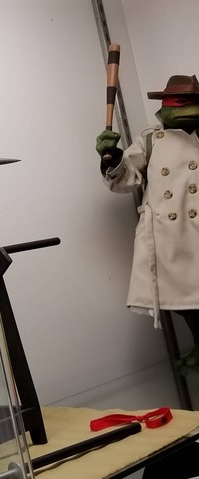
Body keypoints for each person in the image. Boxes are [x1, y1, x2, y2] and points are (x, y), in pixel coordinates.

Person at [96, 75, 199, 369]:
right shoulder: (151, 140)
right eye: (179, 101)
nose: (186, 107)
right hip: (167, 235)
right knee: (181, 301)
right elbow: (125, 179)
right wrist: (111, 158)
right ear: (164, 106)